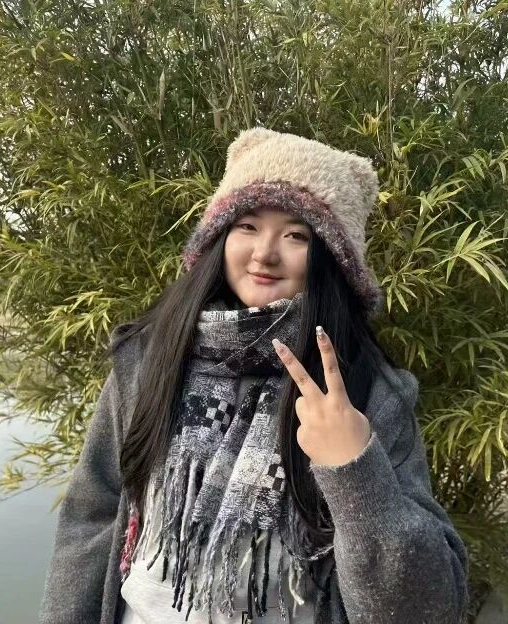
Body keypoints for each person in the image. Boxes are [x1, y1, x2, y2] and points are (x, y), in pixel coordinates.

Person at [39, 127, 470, 624]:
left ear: (333, 260)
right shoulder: (149, 358)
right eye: (247, 225)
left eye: (296, 235)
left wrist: (354, 468)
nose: (264, 253)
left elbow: (428, 609)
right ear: (219, 238)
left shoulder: (368, 394)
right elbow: (93, 514)